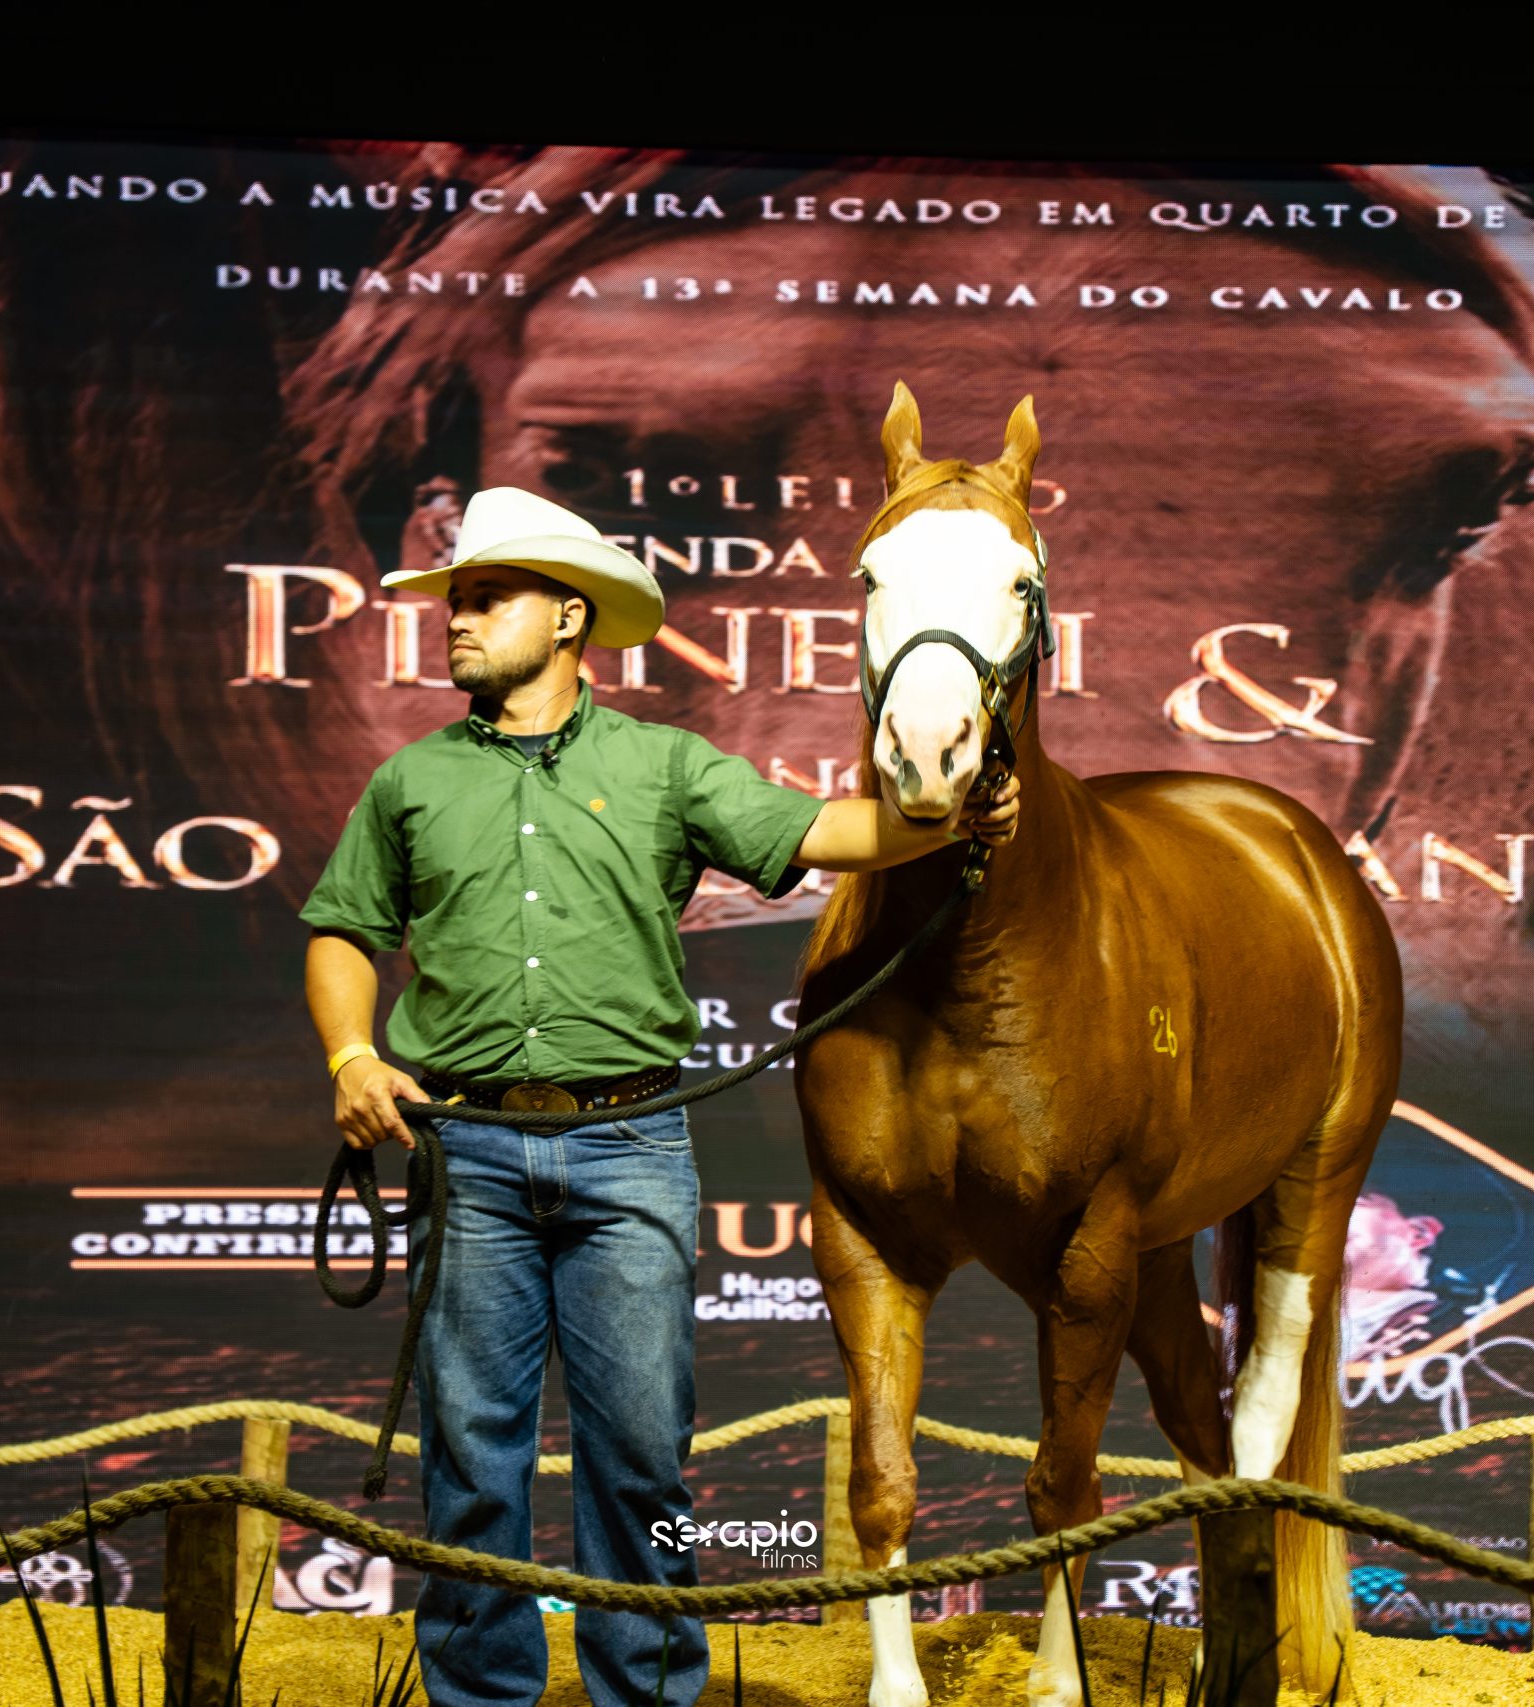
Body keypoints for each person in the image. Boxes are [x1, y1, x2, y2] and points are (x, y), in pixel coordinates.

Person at [300, 485, 1018, 1707]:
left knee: (643, 1461)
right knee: (472, 1461)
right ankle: (481, 1699)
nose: (455, 620)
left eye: (485, 598)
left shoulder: (666, 765)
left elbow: (822, 831)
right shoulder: (410, 782)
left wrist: (937, 816)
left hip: (628, 1146)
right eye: (455, 600)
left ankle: (648, 1695)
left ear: (569, 615)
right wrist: (351, 1058)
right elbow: (338, 931)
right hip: (465, 1147)